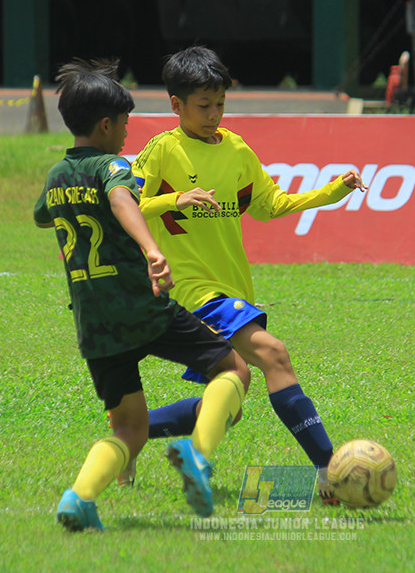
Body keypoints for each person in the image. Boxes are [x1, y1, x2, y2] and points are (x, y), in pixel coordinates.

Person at [129, 45, 366, 505]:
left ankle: (130, 433)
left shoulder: (237, 149)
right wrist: (173, 200)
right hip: (190, 289)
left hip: (230, 286)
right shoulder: (162, 151)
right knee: (274, 355)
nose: (214, 114)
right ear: (176, 104)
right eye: (204, 105)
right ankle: (327, 470)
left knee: (231, 398)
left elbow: (270, 204)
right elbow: (125, 204)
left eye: (220, 103)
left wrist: (332, 191)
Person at [34, 58, 251, 530]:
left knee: (130, 428)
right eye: (127, 123)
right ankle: (199, 453)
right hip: (138, 305)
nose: (129, 133)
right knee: (233, 369)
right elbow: (119, 197)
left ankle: (80, 497)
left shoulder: (55, 176)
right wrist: (152, 249)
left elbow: (43, 216)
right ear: (107, 124)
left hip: (92, 321)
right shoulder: (112, 165)